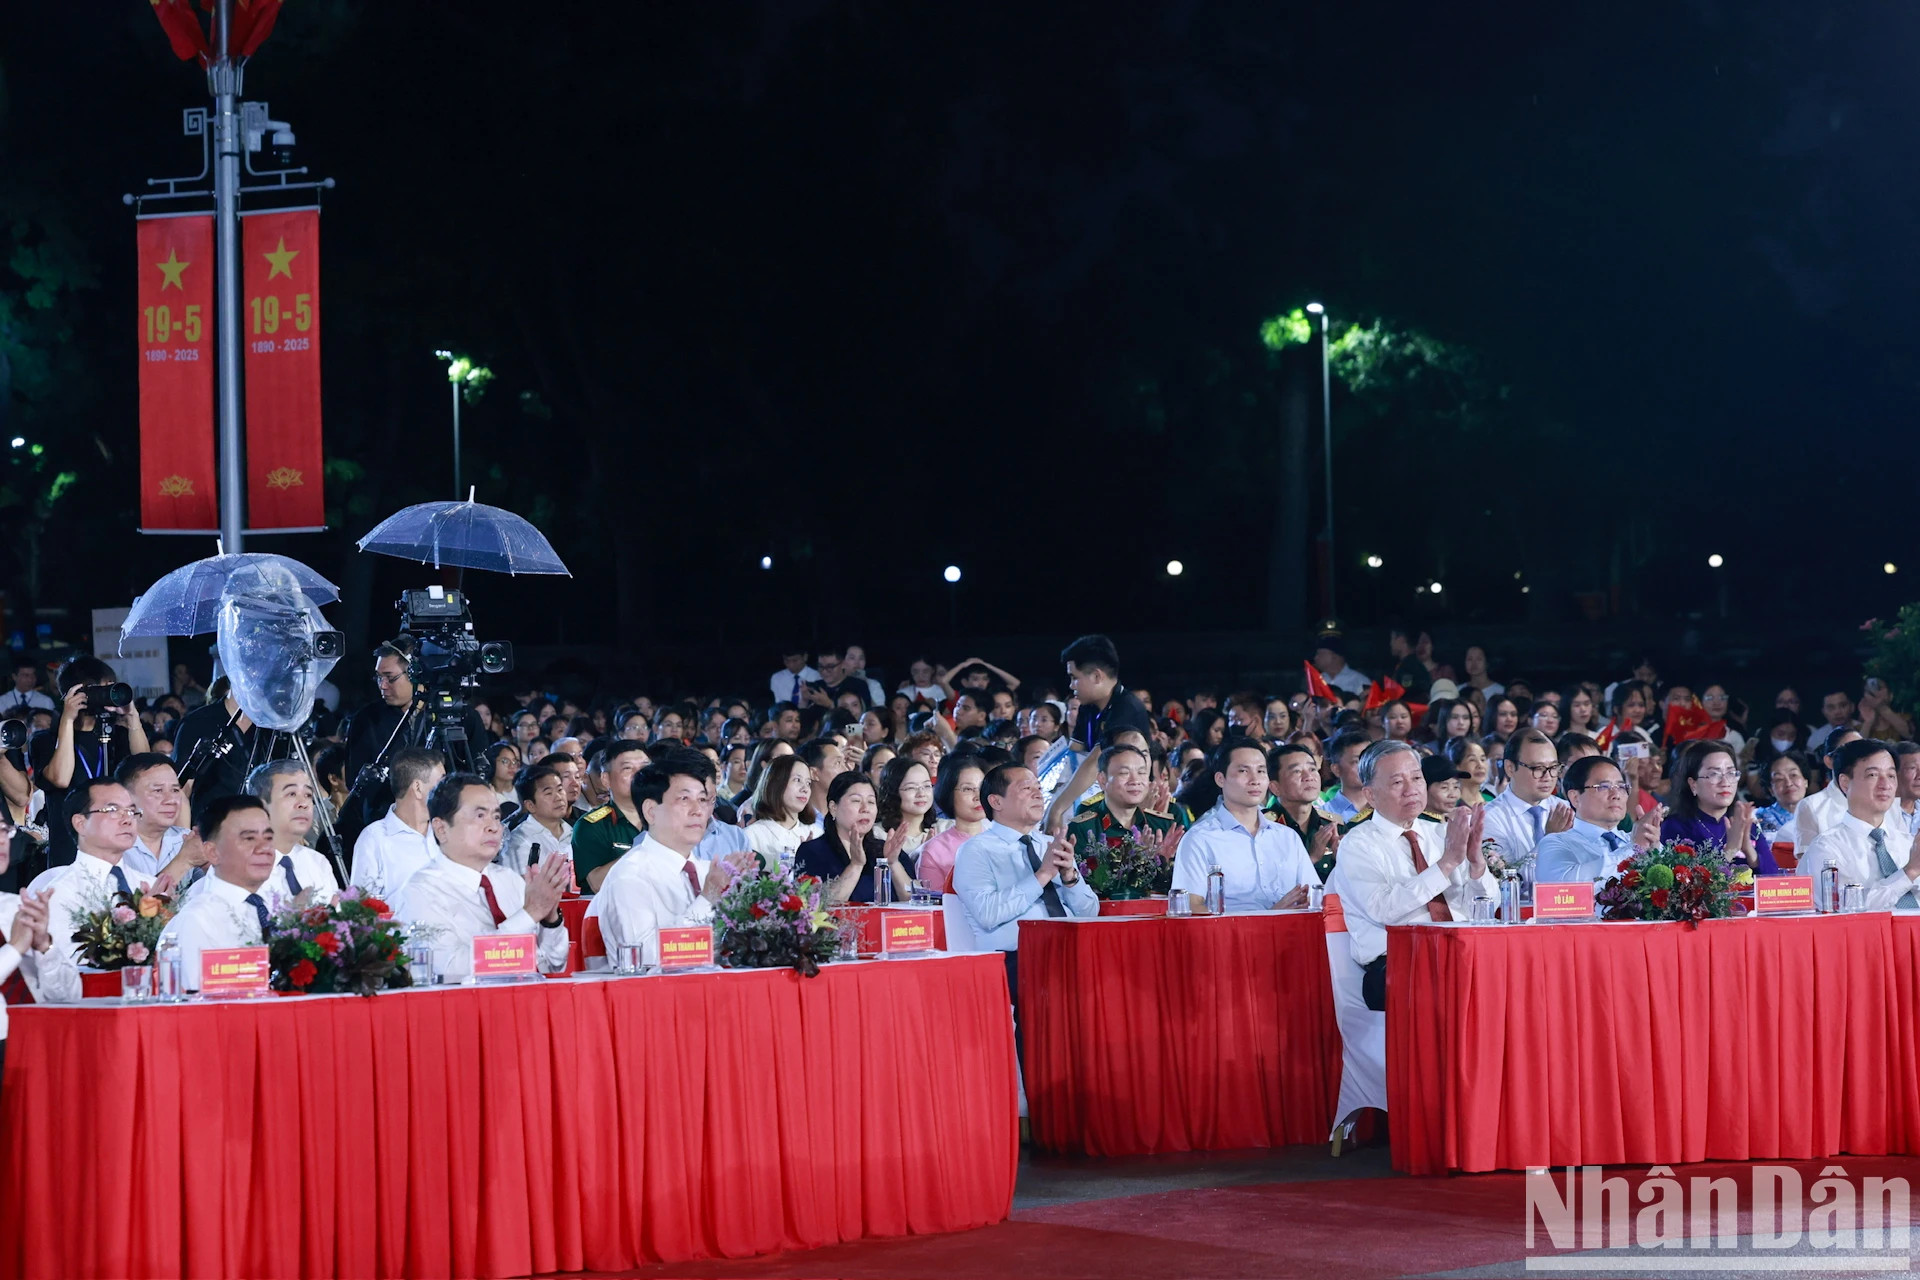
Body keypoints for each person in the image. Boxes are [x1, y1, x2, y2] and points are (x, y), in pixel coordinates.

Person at [1340, 742, 1498, 1010]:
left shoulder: (1440, 833)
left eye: (1416, 778)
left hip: (1458, 951)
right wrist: (1446, 864)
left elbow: (1485, 908)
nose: (1411, 789)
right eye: (1397, 782)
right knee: (1464, 981)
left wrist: (1475, 863)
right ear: (1371, 794)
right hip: (1396, 964)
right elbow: (1384, 910)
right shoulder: (1358, 843)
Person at [951, 764, 1099, 1050]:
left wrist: (1070, 878)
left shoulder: (1049, 843)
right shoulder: (976, 850)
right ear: (996, 801)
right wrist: (1042, 876)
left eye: (1038, 788)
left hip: (1068, 952)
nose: (1038, 794)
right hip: (1015, 961)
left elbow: (1089, 913)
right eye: (1026, 788)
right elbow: (988, 914)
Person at [392, 773, 571, 979]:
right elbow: (450, 970)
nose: (494, 827)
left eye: (496, 816)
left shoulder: (509, 880)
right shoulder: (419, 891)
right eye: (480, 816)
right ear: (441, 828)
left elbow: (552, 966)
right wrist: (529, 914)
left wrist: (550, 919)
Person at [589, 749, 734, 967]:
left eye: (703, 799)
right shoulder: (630, 875)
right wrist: (706, 899)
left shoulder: (707, 871)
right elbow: (644, 958)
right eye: (684, 799)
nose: (698, 810)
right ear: (650, 811)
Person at [32, 655, 151, 870]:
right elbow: (60, 778)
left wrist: (133, 718)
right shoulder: (45, 740)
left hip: (118, 847)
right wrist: (67, 719)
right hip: (69, 850)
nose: (108, 694)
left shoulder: (118, 735)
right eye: (102, 687)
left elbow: (144, 770)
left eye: (111, 686)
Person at [1170, 738, 1317, 912]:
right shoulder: (1200, 839)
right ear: (1220, 779)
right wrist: (1269, 916)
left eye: (1261, 771)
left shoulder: (1287, 837)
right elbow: (1190, 908)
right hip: (1231, 937)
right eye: (1243, 771)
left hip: (1293, 934)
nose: (1255, 780)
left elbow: (1314, 897)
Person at [27, 778, 156, 968]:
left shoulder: (149, 886)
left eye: (131, 811)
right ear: (80, 823)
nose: (127, 819)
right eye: (112, 811)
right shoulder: (60, 894)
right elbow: (62, 969)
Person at [154, 794, 279, 987]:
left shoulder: (271, 908)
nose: (264, 848)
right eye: (249, 838)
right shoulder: (196, 920)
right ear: (212, 852)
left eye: (268, 837)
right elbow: (195, 1007)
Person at [1041, 635, 1154, 834]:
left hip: (1128, 807)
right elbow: (1073, 756)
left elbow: (1095, 762)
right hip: (1094, 800)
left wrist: (1056, 809)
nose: (1071, 685)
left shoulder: (1126, 708)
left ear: (1096, 676)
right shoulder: (1088, 706)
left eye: (1075, 678)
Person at [1800, 738, 1920, 910]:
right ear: (1845, 783)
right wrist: (1909, 873)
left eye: (1891, 776)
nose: (1885, 785)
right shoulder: (1826, 849)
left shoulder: (1908, 843)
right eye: (1873, 775)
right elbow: (1845, 907)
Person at [1533, 755, 1661, 885]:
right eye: (1604, 787)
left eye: (1621, 787)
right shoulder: (1555, 843)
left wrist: (1655, 850)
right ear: (1575, 797)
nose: (1616, 795)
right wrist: (1634, 849)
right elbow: (1565, 886)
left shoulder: (1634, 840)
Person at [794, 772, 915, 903]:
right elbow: (818, 907)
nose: (865, 809)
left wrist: (893, 863)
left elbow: (914, 902)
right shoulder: (812, 852)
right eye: (856, 801)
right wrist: (856, 865)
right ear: (833, 808)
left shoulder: (887, 850)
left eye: (871, 802)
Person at [1660, 740, 1777, 872]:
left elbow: (1774, 881)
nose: (1725, 782)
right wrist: (1730, 850)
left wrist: (1749, 851)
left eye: (1731, 773)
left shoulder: (1744, 824)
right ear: (1693, 784)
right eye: (1714, 774)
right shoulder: (1674, 827)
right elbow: (1688, 887)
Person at [348, 747, 445, 896]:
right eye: (441, 783)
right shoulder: (375, 839)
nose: (447, 791)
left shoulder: (447, 830)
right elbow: (360, 908)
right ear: (418, 788)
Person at [1065, 742, 1179, 868]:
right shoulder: (1083, 828)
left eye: (1142, 773)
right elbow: (1074, 882)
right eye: (1124, 773)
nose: (1135, 781)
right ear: (1103, 780)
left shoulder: (1161, 825)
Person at [247, 759, 344, 902]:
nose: (304, 804)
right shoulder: (239, 867)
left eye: (308, 795)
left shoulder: (317, 862)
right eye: (291, 794)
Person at [1479, 728, 1573, 862]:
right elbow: (1506, 876)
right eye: (1538, 768)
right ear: (1510, 768)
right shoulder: (1490, 818)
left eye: (1553, 768)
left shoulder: (1566, 809)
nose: (1548, 777)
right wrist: (1549, 841)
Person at [570, 741, 650, 893]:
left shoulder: (665, 818)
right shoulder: (591, 825)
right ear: (606, 779)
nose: (639, 775)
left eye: (645, 768)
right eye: (627, 768)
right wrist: (643, 849)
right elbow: (597, 883)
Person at [115, 753, 199, 882]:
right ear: (127, 797)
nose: (171, 800)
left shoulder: (187, 840)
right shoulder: (111, 847)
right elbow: (133, 901)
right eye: (158, 791)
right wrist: (184, 860)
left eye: (175, 790)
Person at [1264, 742, 1341, 879]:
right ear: (1275, 787)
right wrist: (1311, 858)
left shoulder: (1333, 825)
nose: (1309, 777)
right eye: (1297, 771)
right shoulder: (1263, 827)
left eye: (1312, 769)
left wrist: (1340, 860)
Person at [917, 760, 988, 894]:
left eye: (982, 787)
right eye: (967, 789)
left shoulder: (1003, 839)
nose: (978, 796)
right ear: (948, 793)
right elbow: (936, 907)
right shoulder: (934, 851)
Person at [742, 755, 818, 872]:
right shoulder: (751, 836)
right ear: (775, 784)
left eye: (808, 783)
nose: (805, 789)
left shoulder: (816, 833)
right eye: (797, 780)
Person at [1796, 729, 1868, 849]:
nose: (1859, 758)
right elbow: (1806, 862)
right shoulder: (1811, 807)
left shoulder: (1882, 800)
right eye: (1850, 752)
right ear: (1829, 761)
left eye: (1863, 751)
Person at [498, 761, 573, 877]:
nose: (559, 797)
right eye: (548, 793)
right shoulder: (519, 842)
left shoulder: (575, 832)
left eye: (560, 789)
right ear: (530, 805)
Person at [875, 757, 947, 864]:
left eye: (927, 786)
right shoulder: (878, 835)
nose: (921, 793)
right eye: (911, 788)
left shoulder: (945, 829)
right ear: (892, 792)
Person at [1755, 749, 1814, 851]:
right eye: (1779, 779)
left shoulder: (1821, 814)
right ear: (1770, 789)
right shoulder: (1758, 818)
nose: (1788, 783)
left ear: (1805, 781)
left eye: (1793, 775)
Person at [1320, 730, 1372, 824]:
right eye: (1356, 761)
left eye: (1369, 759)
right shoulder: (1324, 815)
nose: (1365, 766)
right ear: (1336, 769)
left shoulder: (1386, 806)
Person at [1807, 691, 1856, 755]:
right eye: (1831, 707)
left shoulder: (1865, 729)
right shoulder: (1816, 739)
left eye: (1843, 705)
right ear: (1823, 711)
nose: (1837, 712)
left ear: (1852, 707)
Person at [1421, 754, 1464, 821]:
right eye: (1444, 787)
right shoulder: (1416, 825)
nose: (1453, 795)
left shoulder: (1454, 820)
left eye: (1456, 787)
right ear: (1423, 789)